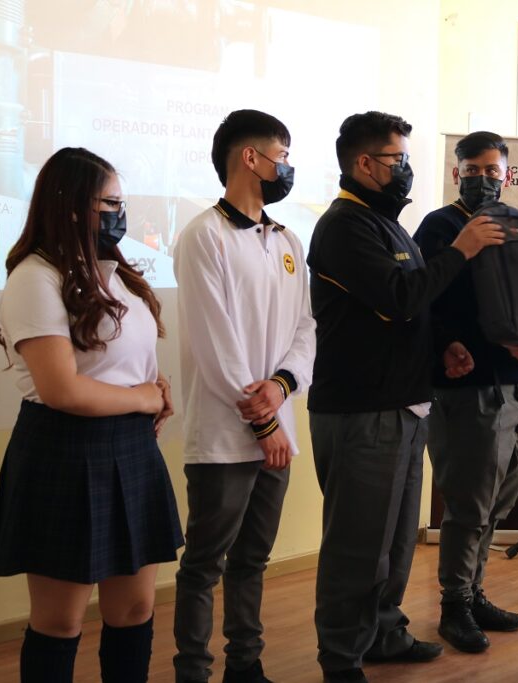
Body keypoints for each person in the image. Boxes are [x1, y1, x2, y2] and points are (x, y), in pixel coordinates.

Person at [307, 111, 505, 683]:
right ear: (364, 164)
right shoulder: (345, 226)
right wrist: (462, 249)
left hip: (404, 404)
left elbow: (410, 311)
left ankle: (385, 633)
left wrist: (440, 348)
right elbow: (398, 296)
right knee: (357, 546)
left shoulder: (385, 222)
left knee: (393, 543)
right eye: (398, 160)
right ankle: (341, 658)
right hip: (361, 411)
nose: (408, 171)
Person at [0, 147, 183, 683]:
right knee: (59, 621)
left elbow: (121, 361)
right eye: (111, 202)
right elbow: (61, 390)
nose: (121, 213)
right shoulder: (35, 276)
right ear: (72, 205)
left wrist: (154, 387)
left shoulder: (114, 273)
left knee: (135, 612)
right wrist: (143, 398)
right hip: (64, 451)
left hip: (131, 449)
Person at [172, 109, 316, 683]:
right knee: (205, 563)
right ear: (250, 158)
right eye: (282, 156)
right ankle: (193, 670)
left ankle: (245, 665)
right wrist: (261, 423)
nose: (288, 168)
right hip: (225, 437)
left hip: (277, 430)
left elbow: (305, 328)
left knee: (253, 558)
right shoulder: (202, 235)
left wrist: (282, 388)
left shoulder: (287, 240)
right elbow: (215, 343)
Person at [412, 131, 518, 654]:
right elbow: (420, 302)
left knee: (501, 498)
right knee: (468, 502)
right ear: (456, 170)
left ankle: (476, 591)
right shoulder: (438, 226)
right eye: (472, 168)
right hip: (466, 388)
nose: (483, 177)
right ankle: (455, 605)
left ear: (507, 172)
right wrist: (444, 345)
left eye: (493, 169)